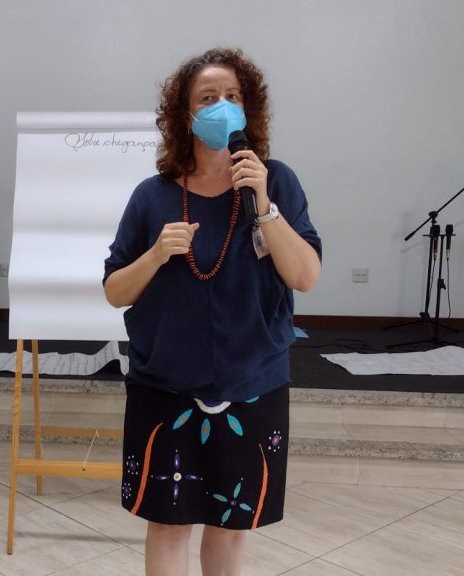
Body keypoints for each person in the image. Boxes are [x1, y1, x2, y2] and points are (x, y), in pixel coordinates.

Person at [103, 48, 322, 576]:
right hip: (165, 386)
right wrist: (157, 253)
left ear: (249, 110)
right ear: (185, 116)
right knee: (168, 525)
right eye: (207, 98)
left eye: (232, 96)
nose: (221, 106)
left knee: (229, 528)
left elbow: (305, 276)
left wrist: (263, 205)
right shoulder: (151, 196)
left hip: (252, 385)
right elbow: (114, 291)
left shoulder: (277, 181)